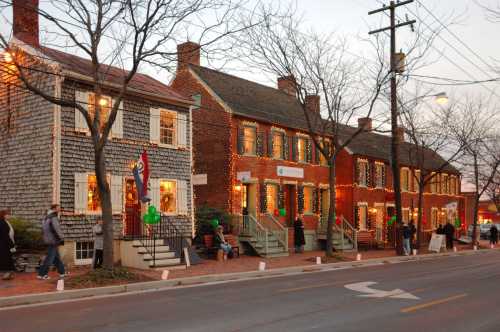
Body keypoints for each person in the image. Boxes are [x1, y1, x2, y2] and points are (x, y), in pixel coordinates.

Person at [37, 204, 65, 280]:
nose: (60, 209)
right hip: (53, 240)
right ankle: (42, 274)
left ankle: (62, 272)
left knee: (56, 257)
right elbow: (57, 229)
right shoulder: (53, 217)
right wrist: (62, 237)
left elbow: (43, 229)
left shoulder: (47, 217)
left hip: (48, 239)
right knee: (49, 258)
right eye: (58, 208)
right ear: (54, 209)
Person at [0, 210, 16, 280]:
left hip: (5, 243)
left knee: (8, 258)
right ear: (3, 215)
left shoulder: (5, 222)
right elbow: (5, 235)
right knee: (6, 259)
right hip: (4, 244)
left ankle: (8, 274)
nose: (9, 216)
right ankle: (6, 274)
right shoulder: (2, 223)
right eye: (8, 214)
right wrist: (11, 244)